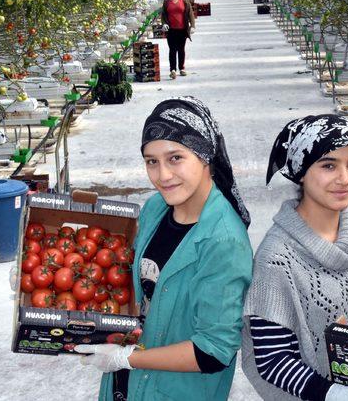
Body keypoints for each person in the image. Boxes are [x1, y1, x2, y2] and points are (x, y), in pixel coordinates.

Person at [76, 96, 253, 401]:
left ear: (204, 155)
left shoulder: (223, 241)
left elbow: (213, 351)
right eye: (151, 161)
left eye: (175, 158)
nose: (162, 176)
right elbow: (137, 282)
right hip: (128, 385)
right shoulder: (156, 208)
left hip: (174, 390)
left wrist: (127, 359)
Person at [241, 114, 348, 401]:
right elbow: (272, 360)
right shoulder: (277, 258)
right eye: (329, 165)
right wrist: (338, 395)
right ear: (301, 172)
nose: (345, 179)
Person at [160, 0, 196, 79]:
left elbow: (190, 14)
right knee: (172, 49)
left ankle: (181, 68)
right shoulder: (167, 2)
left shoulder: (184, 0)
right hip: (171, 30)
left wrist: (192, 26)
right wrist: (164, 24)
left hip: (182, 29)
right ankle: (173, 70)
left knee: (181, 49)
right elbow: (163, 15)